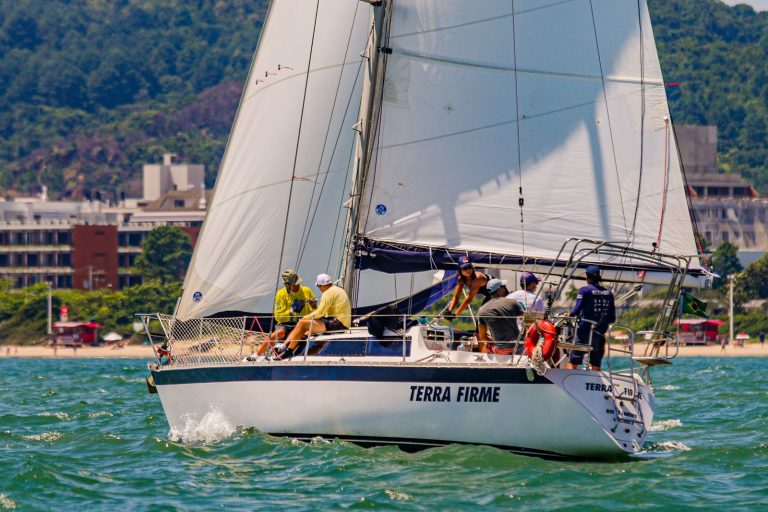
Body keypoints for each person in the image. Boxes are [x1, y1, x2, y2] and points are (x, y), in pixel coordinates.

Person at [279, 274, 352, 359]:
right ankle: (296, 349)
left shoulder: (328, 293)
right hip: (342, 323)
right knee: (306, 330)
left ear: (320, 285)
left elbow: (320, 313)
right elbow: (324, 313)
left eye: (318, 286)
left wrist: (305, 317)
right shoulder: (338, 290)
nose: (319, 289)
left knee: (302, 323)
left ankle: (288, 351)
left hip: (338, 324)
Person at [253, 269, 316, 357]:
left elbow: (314, 313)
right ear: (288, 285)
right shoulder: (281, 294)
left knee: (308, 332)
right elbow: (278, 317)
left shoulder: (307, 291)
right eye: (295, 284)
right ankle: (256, 355)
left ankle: (292, 352)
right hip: (285, 324)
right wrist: (291, 312)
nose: (297, 285)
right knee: (277, 334)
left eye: (298, 283)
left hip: (302, 323)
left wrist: (314, 306)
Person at [565, 265, 615, 371]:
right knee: (596, 364)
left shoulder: (584, 291)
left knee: (573, 361)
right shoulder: (609, 293)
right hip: (599, 334)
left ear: (586, 277)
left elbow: (576, 310)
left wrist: (568, 315)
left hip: (584, 332)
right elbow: (612, 318)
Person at [477, 279, 523, 355]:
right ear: (499, 289)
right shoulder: (512, 302)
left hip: (500, 350)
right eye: (503, 287)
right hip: (518, 347)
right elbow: (527, 321)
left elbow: (482, 337)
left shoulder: (482, 310)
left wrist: (495, 342)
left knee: (488, 346)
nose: (504, 289)